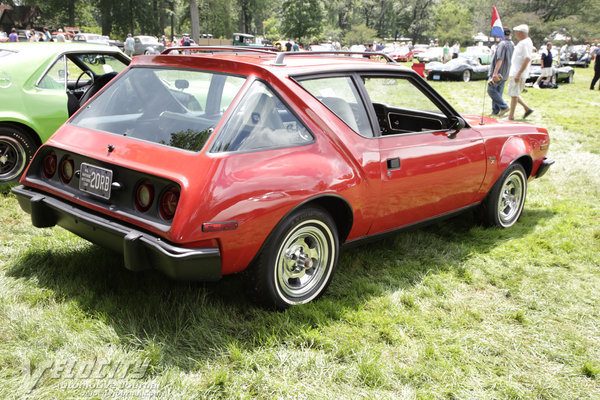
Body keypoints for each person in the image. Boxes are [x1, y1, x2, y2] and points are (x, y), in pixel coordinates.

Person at [507, 25, 534, 120]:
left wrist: (518, 73)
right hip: (517, 71)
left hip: (518, 72)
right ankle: (527, 108)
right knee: (513, 93)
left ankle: (511, 116)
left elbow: (527, 58)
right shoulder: (526, 42)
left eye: (517, 32)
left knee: (514, 94)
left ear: (522, 32)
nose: (516, 34)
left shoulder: (524, 43)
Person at [488, 27, 514, 116]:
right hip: (506, 72)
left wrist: (495, 73)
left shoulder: (502, 44)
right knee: (498, 92)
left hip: (499, 73)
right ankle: (495, 111)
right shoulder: (512, 44)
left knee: (490, 89)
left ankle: (504, 106)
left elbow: (500, 59)